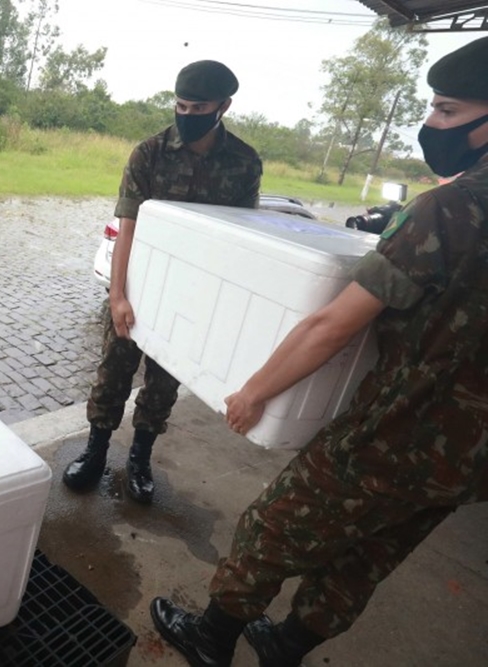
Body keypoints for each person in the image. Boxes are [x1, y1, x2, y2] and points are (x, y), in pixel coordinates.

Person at [150, 36, 488, 667]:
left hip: (398, 433)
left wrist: (254, 391)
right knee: (369, 557)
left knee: (272, 529)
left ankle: (210, 638)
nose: (431, 123)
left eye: (445, 111)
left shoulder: (450, 209)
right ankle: (287, 645)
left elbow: (333, 325)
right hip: (470, 462)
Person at [63, 60, 262, 504]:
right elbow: (126, 227)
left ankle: (139, 458)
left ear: (223, 106)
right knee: (113, 372)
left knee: (164, 382)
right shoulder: (149, 153)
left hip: (190, 297)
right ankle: (95, 451)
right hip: (139, 286)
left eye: (199, 107)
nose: (187, 114)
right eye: (181, 105)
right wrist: (117, 296)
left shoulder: (244, 162)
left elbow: (240, 237)